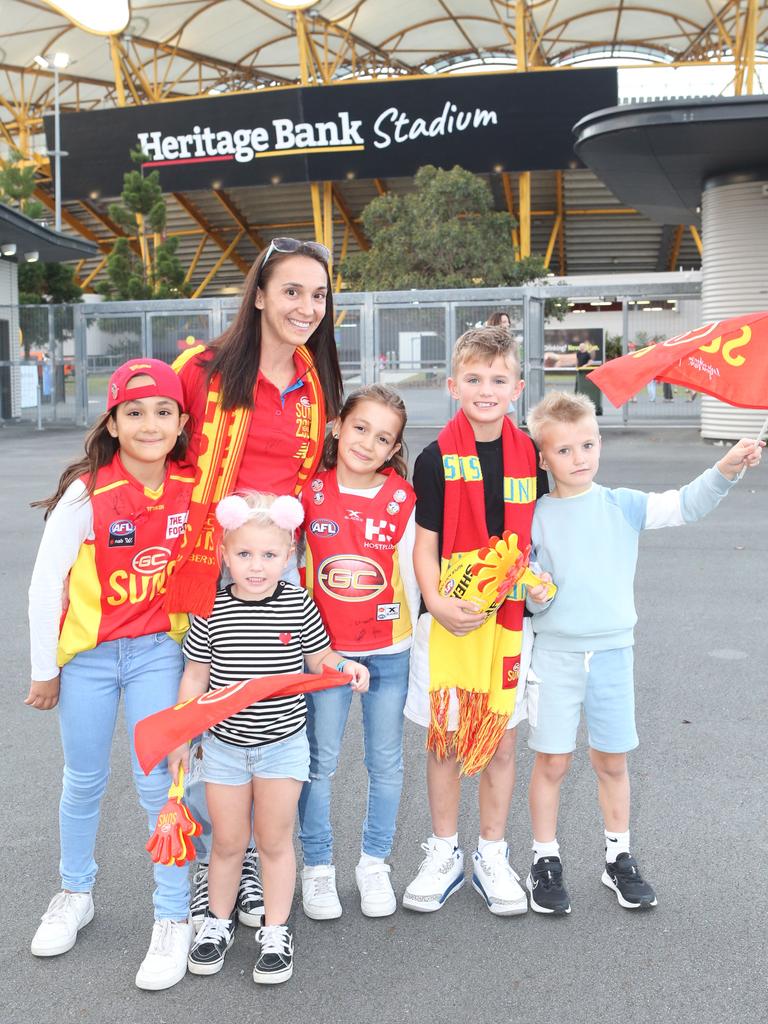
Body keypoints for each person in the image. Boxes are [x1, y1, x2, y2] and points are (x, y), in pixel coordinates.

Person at [523, 391, 763, 915]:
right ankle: (544, 859)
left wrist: (725, 467)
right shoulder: (533, 516)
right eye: (563, 450)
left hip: (613, 653)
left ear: (599, 442)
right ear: (542, 457)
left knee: (612, 760)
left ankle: (617, 857)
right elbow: (521, 585)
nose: (578, 457)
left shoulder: (622, 504)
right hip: (556, 656)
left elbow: (685, 504)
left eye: (586, 444)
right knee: (553, 761)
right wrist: (532, 594)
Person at [168, 237, 344, 932]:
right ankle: (225, 858)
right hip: (203, 558)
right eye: (293, 291)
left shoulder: (314, 380)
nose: (307, 306)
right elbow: (155, 442)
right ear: (261, 295)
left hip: (278, 564)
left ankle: (259, 860)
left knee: (264, 706)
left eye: (319, 295)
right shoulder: (202, 369)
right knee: (207, 703)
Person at [25, 359, 195, 990]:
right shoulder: (86, 491)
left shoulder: (194, 486)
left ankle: (173, 914)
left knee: (162, 786)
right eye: (134, 412)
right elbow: (46, 585)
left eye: (163, 412)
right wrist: (46, 670)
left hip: (159, 652)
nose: (149, 424)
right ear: (114, 423)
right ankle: (75, 891)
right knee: (83, 779)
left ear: (181, 422)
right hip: (91, 659)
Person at [168, 492, 369, 984]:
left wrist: (347, 667)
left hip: (282, 747)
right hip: (223, 749)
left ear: (289, 556)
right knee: (229, 843)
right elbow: (196, 676)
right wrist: (181, 730)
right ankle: (216, 924)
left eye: (269, 555)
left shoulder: (298, 604)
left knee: (275, 842)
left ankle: (276, 932)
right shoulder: (211, 608)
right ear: (224, 553)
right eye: (244, 554)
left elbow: (320, 659)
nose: (256, 566)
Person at [402, 325, 548, 916]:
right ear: (452, 385)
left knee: (502, 744)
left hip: (509, 621)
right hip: (447, 617)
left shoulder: (532, 454)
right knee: (445, 742)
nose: (485, 389)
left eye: (497, 379)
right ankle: (444, 852)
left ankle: (492, 851)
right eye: (473, 379)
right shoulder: (435, 458)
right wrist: (436, 603)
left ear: (516, 386)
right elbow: (425, 544)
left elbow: (546, 532)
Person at [298, 384, 419, 920]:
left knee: (385, 763)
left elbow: (421, 574)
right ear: (338, 426)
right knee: (319, 762)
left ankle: (374, 863)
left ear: (394, 449)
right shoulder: (307, 493)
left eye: (383, 437)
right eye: (361, 428)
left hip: (388, 651)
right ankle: (317, 868)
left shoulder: (403, 499)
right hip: (323, 653)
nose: (368, 443)